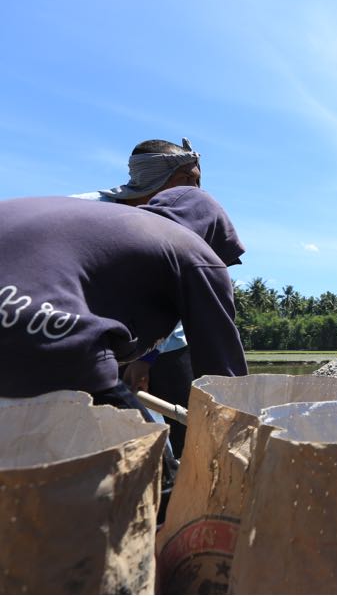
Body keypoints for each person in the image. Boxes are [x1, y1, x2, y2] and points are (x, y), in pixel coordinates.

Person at [0, 187, 247, 404]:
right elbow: (223, 379)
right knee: (142, 451)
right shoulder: (197, 254)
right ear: (212, 237)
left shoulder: (109, 224)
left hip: (15, 309)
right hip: (32, 326)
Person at [71, 138, 204, 456]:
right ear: (173, 180)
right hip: (101, 343)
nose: (198, 193)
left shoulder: (183, 218)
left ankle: (184, 492)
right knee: (110, 432)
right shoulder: (85, 211)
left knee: (191, 435)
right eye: (192, 181)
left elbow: (175, 294)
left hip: (170, 345)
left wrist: (145, 359)